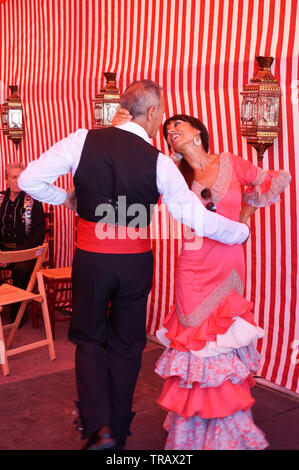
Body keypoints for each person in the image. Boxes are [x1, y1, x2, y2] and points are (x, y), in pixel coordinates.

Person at [18, 80, 250, 451]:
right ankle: (119, 427)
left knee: (90, 339)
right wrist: (240, 232)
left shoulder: (81, 139)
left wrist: (67, 199)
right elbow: (198, 221)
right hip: (135, 262)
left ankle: (99, 428)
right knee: (127, 344)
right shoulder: (159, 161)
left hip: (92, 258)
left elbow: (29, 180)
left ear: (123, 107)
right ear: (154, 113)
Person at [153, 114, 291, 450]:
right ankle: (192, 432)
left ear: (198, 132)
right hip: (192, 268)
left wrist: (246, 211)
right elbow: (159, 212)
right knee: (195, 346)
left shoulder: (230, 162)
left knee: (223, 344)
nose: (171, 132)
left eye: (178, 127)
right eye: (167, 131)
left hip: (228, 265)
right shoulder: (176, 178)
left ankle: (225, 431)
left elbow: (269, 180)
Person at [0, 162, 45, 323]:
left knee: (21, 270)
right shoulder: (0, 199)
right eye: (14, 177)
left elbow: (39, 236)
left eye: (21, 177)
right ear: (6, 180)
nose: (18, 180)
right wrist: (3, 255)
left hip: (26, 253)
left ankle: (16, 318)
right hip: (2, 251)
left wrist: (13, 255)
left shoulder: (33, 201)